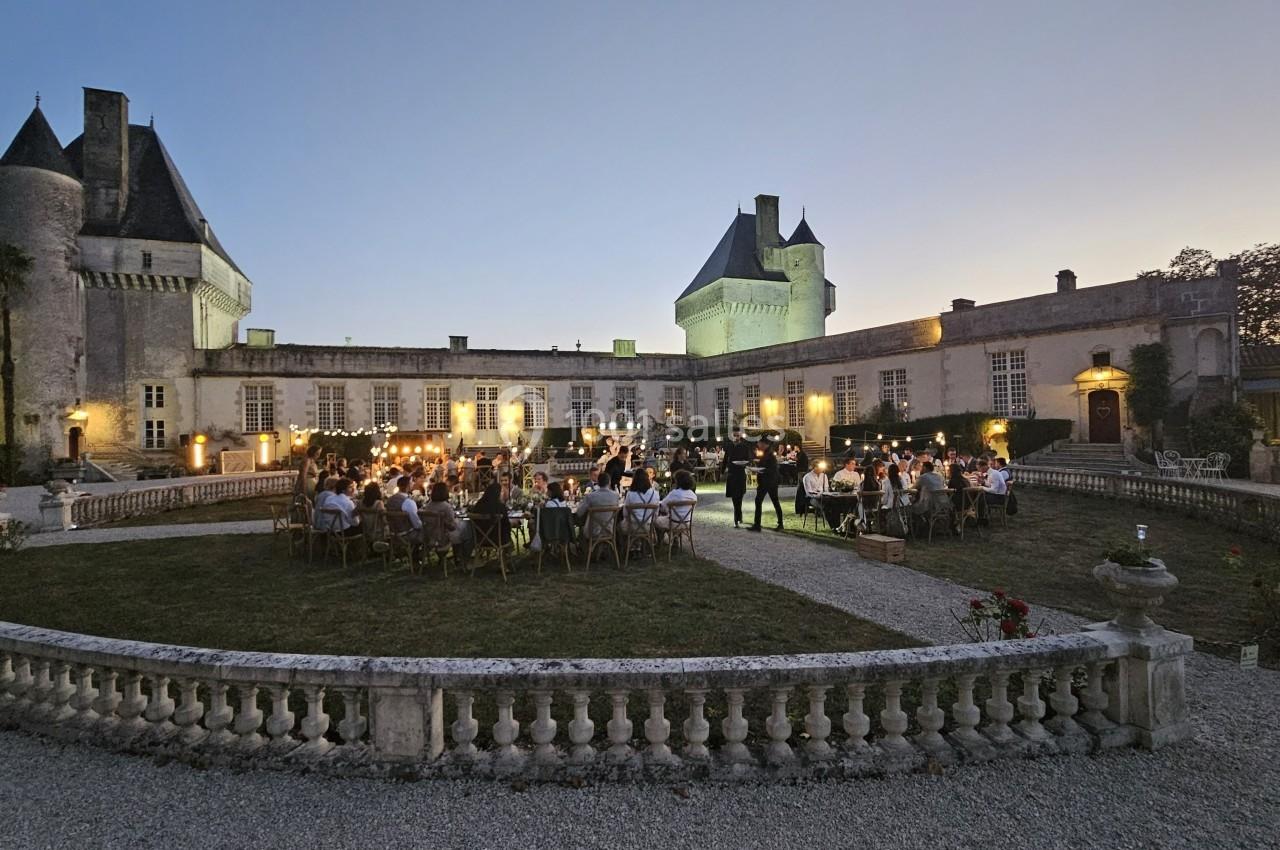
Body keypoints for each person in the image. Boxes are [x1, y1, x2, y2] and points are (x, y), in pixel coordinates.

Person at [750, 437, 782, 532]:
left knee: (759, 501)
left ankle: (757, 525)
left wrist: (760, 469)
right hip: (769, 481)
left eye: (759, 444)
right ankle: (780, 523)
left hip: (767, 481)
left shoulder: (770, 455)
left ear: (764, 444)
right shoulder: (767, 453)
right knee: (774, 501)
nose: (758, 446)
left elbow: (772, 469)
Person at [722, 431, 752, 528]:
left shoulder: (744, 447)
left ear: (740, 436)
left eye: (737, 435)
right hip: (732, 473)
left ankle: (739, 515)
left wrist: (745, 463)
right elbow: (726, 458)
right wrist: (722, 471)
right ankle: (736, 519)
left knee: (740, 497)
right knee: (735, 498)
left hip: (740, 473)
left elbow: (748, 459)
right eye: (734, 435)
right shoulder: (729, 446)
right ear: (732, 436)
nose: (736, 437)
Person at [421, 481, 463, 548]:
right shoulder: (446, 506)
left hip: (429, 535)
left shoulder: (428, 505)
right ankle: (460, 554)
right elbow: (452, 526)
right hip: (442, 537)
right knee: (464, 528)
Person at [656, 469, 698, 535]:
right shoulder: (693, 495)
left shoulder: (674, 493)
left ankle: (660, 541)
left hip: (673, 523)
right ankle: (674, 539)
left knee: (656, 520)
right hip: (686, 523)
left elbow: (663, 505)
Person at [470, 482, 512, 546]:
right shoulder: (499, 507)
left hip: (479, 539)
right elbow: (507, 525)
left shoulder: (478, 505)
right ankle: (507, 552)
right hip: (498, 540)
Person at [622, 468, 660, 534]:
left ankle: (628, 543)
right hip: (648, 526)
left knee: (618, 527)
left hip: (633, 526)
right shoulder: (655, 494)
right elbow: (656, 513)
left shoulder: (630, 494)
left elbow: (625, 513)